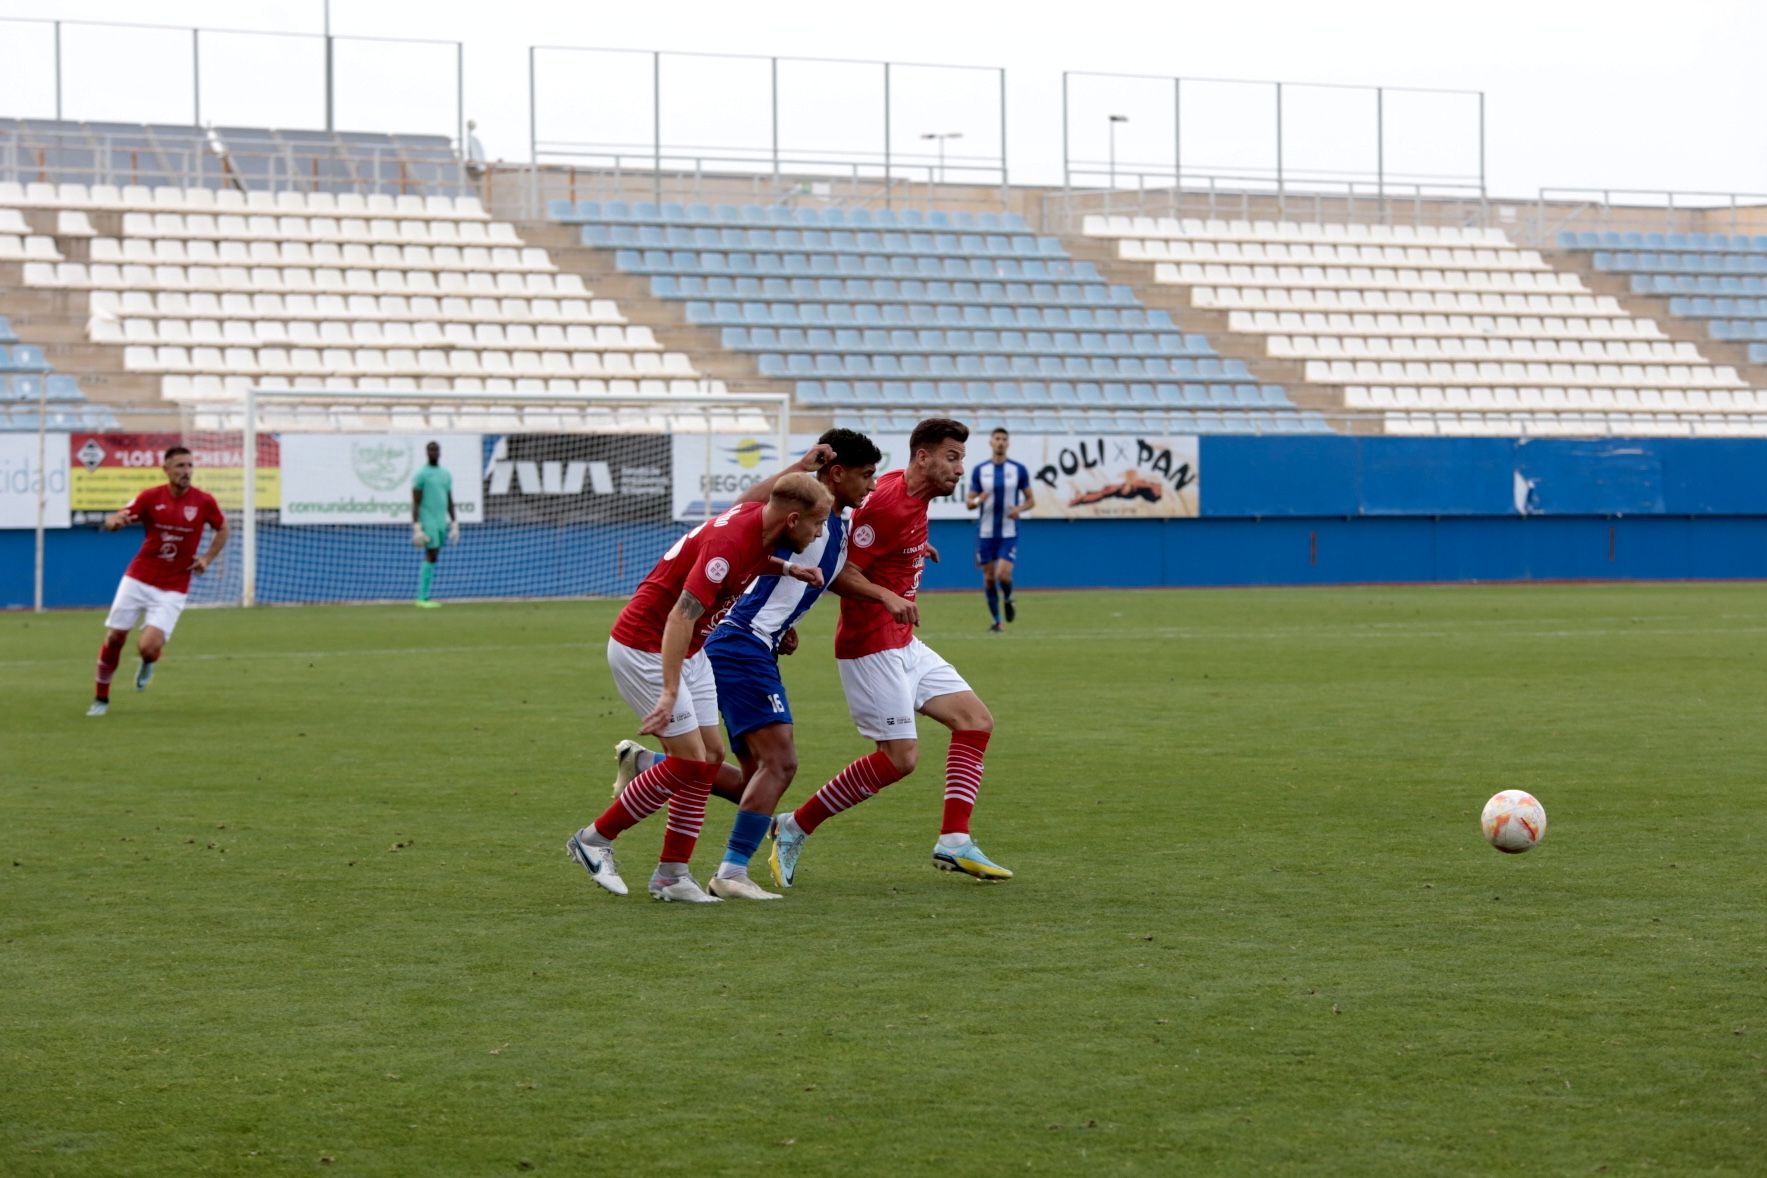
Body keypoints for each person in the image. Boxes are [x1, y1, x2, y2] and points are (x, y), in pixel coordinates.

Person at [566, 470, 834, 903]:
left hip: (692, 650)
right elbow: (679, 615)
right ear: (792, 520)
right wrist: (669, 691)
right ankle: (594, 839)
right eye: (817, 523)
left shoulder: (756, 521)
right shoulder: (728, 546)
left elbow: (751, 554)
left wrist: (788, 568)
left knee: (710, 757)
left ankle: (672, 874)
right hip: (647, 647)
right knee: (690, 760)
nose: (820, 531)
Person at [769, 417, 1013, 888]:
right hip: (871, 647)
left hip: (904, 642)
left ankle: (955, 841)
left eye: (961, 458)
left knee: (975, 720)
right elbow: (840, 571)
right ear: (922, 457)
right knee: (899, 759)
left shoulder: (908, 491)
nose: (961, 469)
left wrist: (917, 547)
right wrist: (887, 595)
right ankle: (793, 825)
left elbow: (883, 541)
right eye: (952, 457)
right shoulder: (887, 503)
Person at [692, 428, 881, 900]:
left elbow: (791, 580)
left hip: (756, 641)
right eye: (865, 475)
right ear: (835, 474)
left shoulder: (832, 526)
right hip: (742, 643)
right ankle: (731, 873)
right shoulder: (800, 516)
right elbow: (742, 513)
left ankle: (652, 767)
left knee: (758, 776)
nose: (872, 486)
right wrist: (799, 464)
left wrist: (784, 621)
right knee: (781, 764)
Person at [88, 446, 229, 717]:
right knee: (116, 636)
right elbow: (121, 515)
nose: (186, 471)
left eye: (189, 466)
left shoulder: (204, 501)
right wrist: (115, 521)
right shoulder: (151, 497)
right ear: (166, 470)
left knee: (148, 647)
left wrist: (207, 559)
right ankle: (101, 699)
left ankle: (149, 662)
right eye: (180, 466)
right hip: (139, 578)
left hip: (174, 586)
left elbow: (223, 527)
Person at [965, 426, 1034, 632]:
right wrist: (979, 499)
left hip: (1008, 531)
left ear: (1008, 443)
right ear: (991, 442)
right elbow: (969, 503)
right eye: (997, 438)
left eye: (1004, 439)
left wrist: (1020, 508)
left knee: (1002, 575)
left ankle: (1009, 598)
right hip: (986, 532)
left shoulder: (1018, 470)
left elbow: (1031, 500)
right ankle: (997, 621)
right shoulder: (980, 470)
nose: (1001, 442)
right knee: (988, 577)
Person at [411, 440, 458, 608]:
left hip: (440, 520)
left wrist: (454, 523)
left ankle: (424, 597)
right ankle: (422, 598)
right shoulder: (421, 474)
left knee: (435, 554)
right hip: (427, 519)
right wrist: (416, 526)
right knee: (431, 553)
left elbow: (449, 500)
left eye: (436, 450)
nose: (434, 453)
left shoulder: (445, 474)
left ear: (440, 452)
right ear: (426, 453)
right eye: (431, 451)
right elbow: (415, 502)